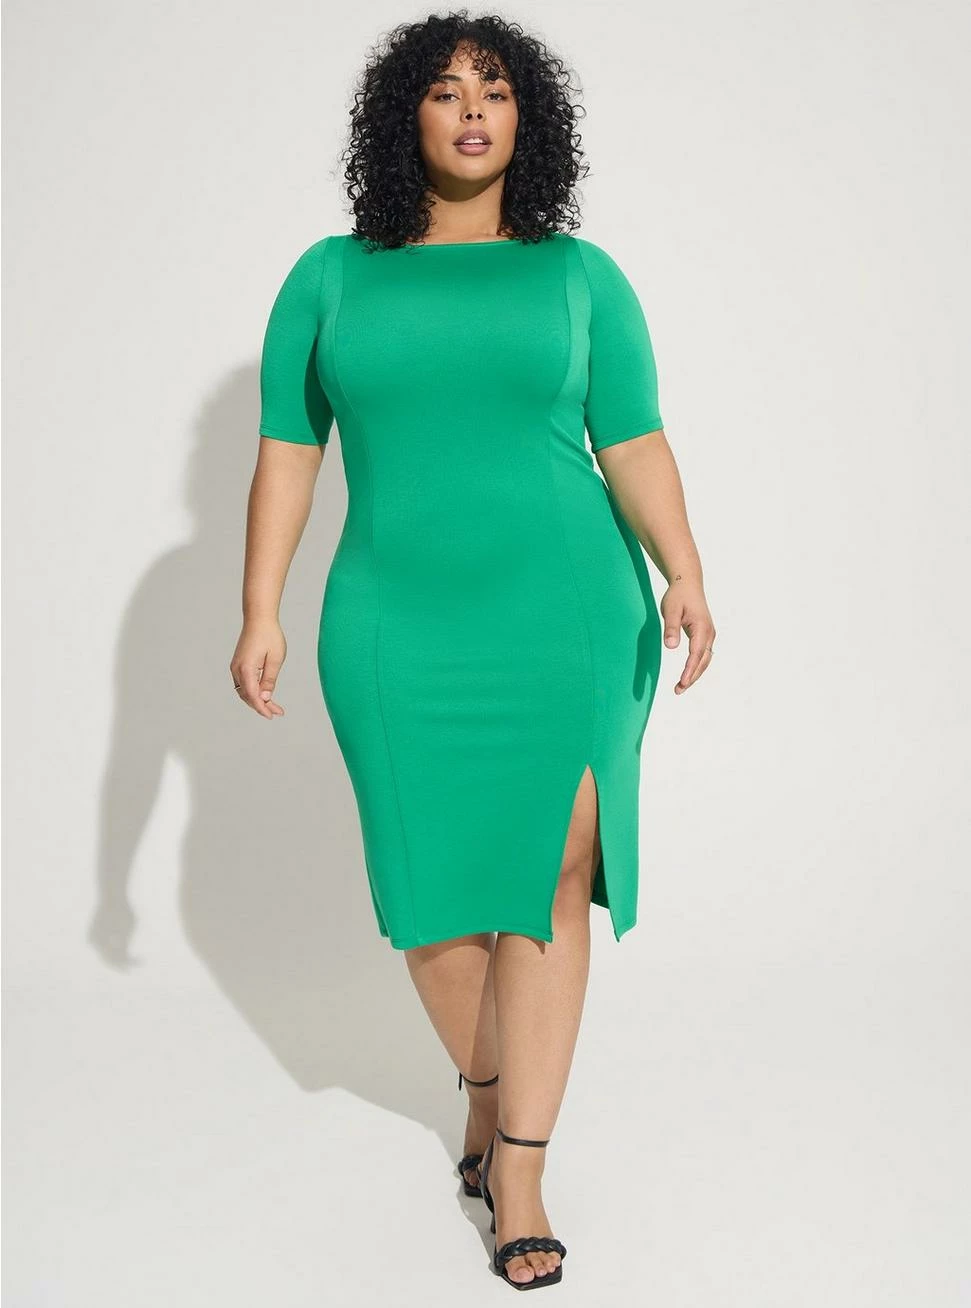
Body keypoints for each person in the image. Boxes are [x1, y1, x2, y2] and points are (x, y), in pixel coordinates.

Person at [230, 13, 715, 1291]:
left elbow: (631, 437)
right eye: (445, 91)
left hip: (567, 615)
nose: (471, 111)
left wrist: (682, 569)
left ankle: (520, 1170)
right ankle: (488, 1092)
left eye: (494, 92)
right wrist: (260, 607)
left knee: (551, 875)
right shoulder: (329, 277)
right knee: (434, 905)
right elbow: (287, 450)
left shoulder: (579, 276)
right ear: (406, 117)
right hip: (393, 624)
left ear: (524, 120)